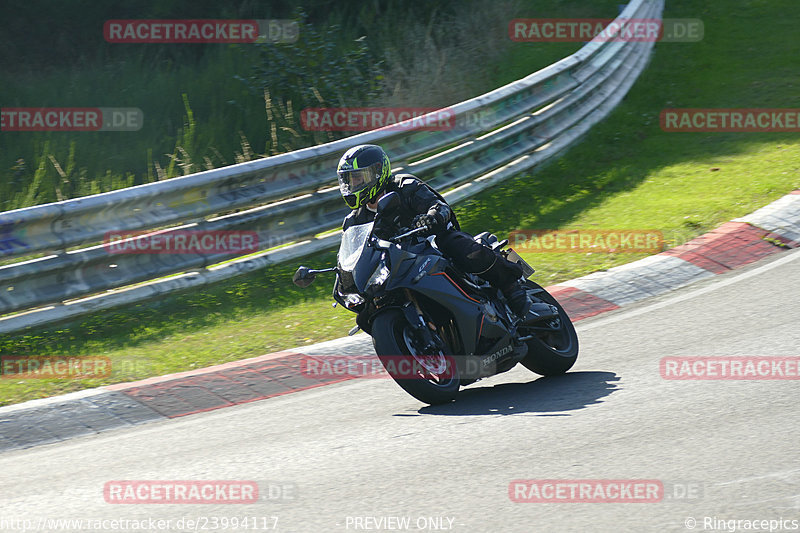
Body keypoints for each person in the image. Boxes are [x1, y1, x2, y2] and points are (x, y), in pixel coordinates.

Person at [336, 144, 531, 318]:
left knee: (463, 249)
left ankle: (511, 286)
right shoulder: (354, 220)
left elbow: (439, 206)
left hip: (432, 244)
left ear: (377, 172)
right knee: (367, 312)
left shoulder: (405, 186)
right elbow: (353, 252)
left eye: (357, 178)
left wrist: (431, 217)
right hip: (397, 263)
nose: (352, 185)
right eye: (348, 181)